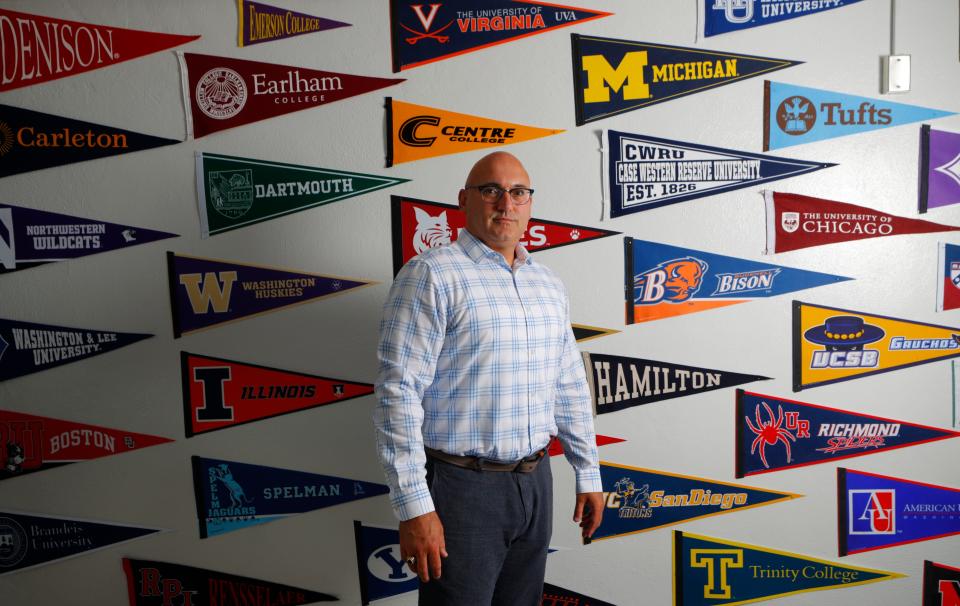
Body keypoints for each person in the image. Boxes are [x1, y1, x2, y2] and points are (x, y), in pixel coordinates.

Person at [373, 151, 603, 606]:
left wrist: (588, 472)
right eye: (491, 190)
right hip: (462, 490)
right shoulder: (432, 275)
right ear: (464, 200)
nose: (506, 203)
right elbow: (397, 395)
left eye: (518, 192)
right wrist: (415, 506)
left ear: (529, 203)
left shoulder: (548, 284)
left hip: (536, 483)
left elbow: (569, 383)